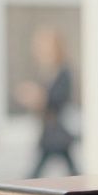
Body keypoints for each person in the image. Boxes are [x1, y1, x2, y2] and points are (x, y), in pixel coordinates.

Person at [17, 27, 79, 177]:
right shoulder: (47, 71)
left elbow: (58, 99)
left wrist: (39, 96)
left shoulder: (63, 72)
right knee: (70, 169)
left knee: (36, 173)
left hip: (57, 131)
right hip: (50, 131)